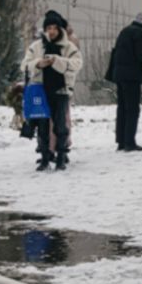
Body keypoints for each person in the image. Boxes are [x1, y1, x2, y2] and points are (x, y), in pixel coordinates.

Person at [23, 11, 82, 171]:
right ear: (45, 29)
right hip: (40, 90)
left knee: (61, 124)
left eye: (55, 28)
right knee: (42, 125)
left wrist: (56, 61)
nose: (52, 31)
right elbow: (25, 64)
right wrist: (38, 63)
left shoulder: (68, 46)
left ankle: (61, 156)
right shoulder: (36, 46)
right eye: (48, 28)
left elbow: (77, 64)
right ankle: (44, 157)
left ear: (60, 29)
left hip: (61, 89)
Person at [113, 12, 142, 151]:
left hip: (119, 75)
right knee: (132, 109)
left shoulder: (124, 31)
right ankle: (130, 142)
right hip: (131, 77)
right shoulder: (139, 33)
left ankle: (121, 141)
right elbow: (141, 54)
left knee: (122, 108)